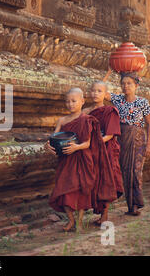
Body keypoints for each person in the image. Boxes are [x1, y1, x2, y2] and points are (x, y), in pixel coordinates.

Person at [45, 88, 99, 232]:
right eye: (67, 101)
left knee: (80, 191)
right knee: (62, 189)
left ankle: (80, 223)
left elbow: (87, 143)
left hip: (80, 158)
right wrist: (47, 146)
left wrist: (76, 147)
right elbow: (52, 139)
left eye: (74, 101)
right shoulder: (62, 120)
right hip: (65, 160)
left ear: (82, 101)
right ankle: (71, 220)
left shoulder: (86, 120)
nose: (70, 104)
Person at [103, 70, 150, 216]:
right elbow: (101, 89)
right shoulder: (118, 100)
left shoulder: (142, 102)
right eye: (123, 83)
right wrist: (108, 73)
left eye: (129, 83)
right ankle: (130, 206)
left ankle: (136, 204)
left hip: (137, 139)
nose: (126, 86)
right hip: (122, 140)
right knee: (124, 171)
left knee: (136, 172)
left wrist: (148, 145)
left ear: (136, 85)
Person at [83, 81, 124, 225]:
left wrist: (95, 143)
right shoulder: (87, 111)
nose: (95, 93)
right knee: (95, 180)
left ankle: (105, 215)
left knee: (106, 180)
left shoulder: (110, 111)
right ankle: (100, 213)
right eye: (93, 91)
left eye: (99, 91)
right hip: (92, 150)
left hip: (106, 150)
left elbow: (110, 134)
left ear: (105, 94)